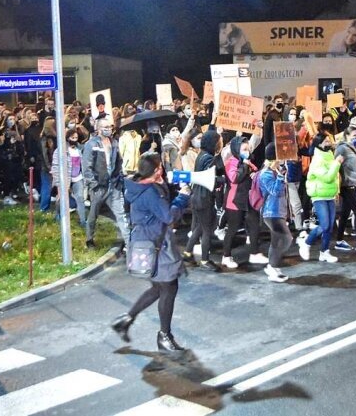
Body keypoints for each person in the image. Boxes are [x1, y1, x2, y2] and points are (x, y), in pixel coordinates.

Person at [111, 153, 190, 351]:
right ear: (156, 171)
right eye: (160, 168)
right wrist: (183, 197)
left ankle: (126, 319)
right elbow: (167, 215)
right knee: (169, 287)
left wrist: (163, 185)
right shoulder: (149, 193)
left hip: (146, 242)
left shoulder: (138, 186)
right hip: (157, 246)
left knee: (157, 288)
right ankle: (164, 336)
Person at [82, 117, 131, 250]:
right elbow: (87, 167)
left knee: (121, 214)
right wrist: (94, 185)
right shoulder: (91, 144)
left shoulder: (114, 143)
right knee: (93, 214)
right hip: (99, 186)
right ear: (98, 129)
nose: (109, 130)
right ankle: (89, 239)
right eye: (105, 127)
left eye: (110, 127)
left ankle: (129, 243)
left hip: (113, 185)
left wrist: (119, 178)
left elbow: (119, 161)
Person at [296, 132, 342, 263]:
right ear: (319, 144)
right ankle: (306, 243)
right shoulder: (317, 160)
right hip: (319, 195)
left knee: (329, 226)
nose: (329, 142)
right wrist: (337, 163)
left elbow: (335, 178)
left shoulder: (329, 156)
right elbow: (328, 177)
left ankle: (324, 252)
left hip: (330, 195)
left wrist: (336, 191)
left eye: (329, 140)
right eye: (326, 141)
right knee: (325, 225)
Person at [184, 127, 225, 271]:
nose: (221, 144)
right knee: (207, 230)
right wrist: (223, 180)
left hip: (197, 196)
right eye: (219, 142)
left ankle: (188, 252)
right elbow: (212, 178)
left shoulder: (202, 154)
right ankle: (205, 260)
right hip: (204, 198)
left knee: (200, 226)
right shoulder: (208, 158)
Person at [220, 136, 263, 268]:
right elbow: (235, 178)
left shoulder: (247, 161)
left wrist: (254, 173)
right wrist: (245, 166)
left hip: (248, 198)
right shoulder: (231, 162)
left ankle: (255, 253)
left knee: (255, 224)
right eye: (244, 149)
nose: (247, 151)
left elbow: (255, 171)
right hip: (235, 200)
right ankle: (226, 256)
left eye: (248, 148)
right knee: (233, 228)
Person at [258, 142, 294, 282]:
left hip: (278, 211)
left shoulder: (274, 170)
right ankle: (272, 267)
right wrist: (280, 176)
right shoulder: (266, 173)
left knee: (276, 241)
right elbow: (275, 191)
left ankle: (272, 266)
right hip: (271, 212)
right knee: (286, 239)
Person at [51, 129, 87, 226]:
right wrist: (58, 180)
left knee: (80, 198)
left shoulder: (80, 150)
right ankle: (58, 214)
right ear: (67, 138)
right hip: (65, 178)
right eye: (72, 138)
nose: (74, 140)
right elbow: (55, 166)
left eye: (76, 138)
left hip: (78, 177)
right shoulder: (61, 150)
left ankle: (83, 220)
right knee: (61, 197)